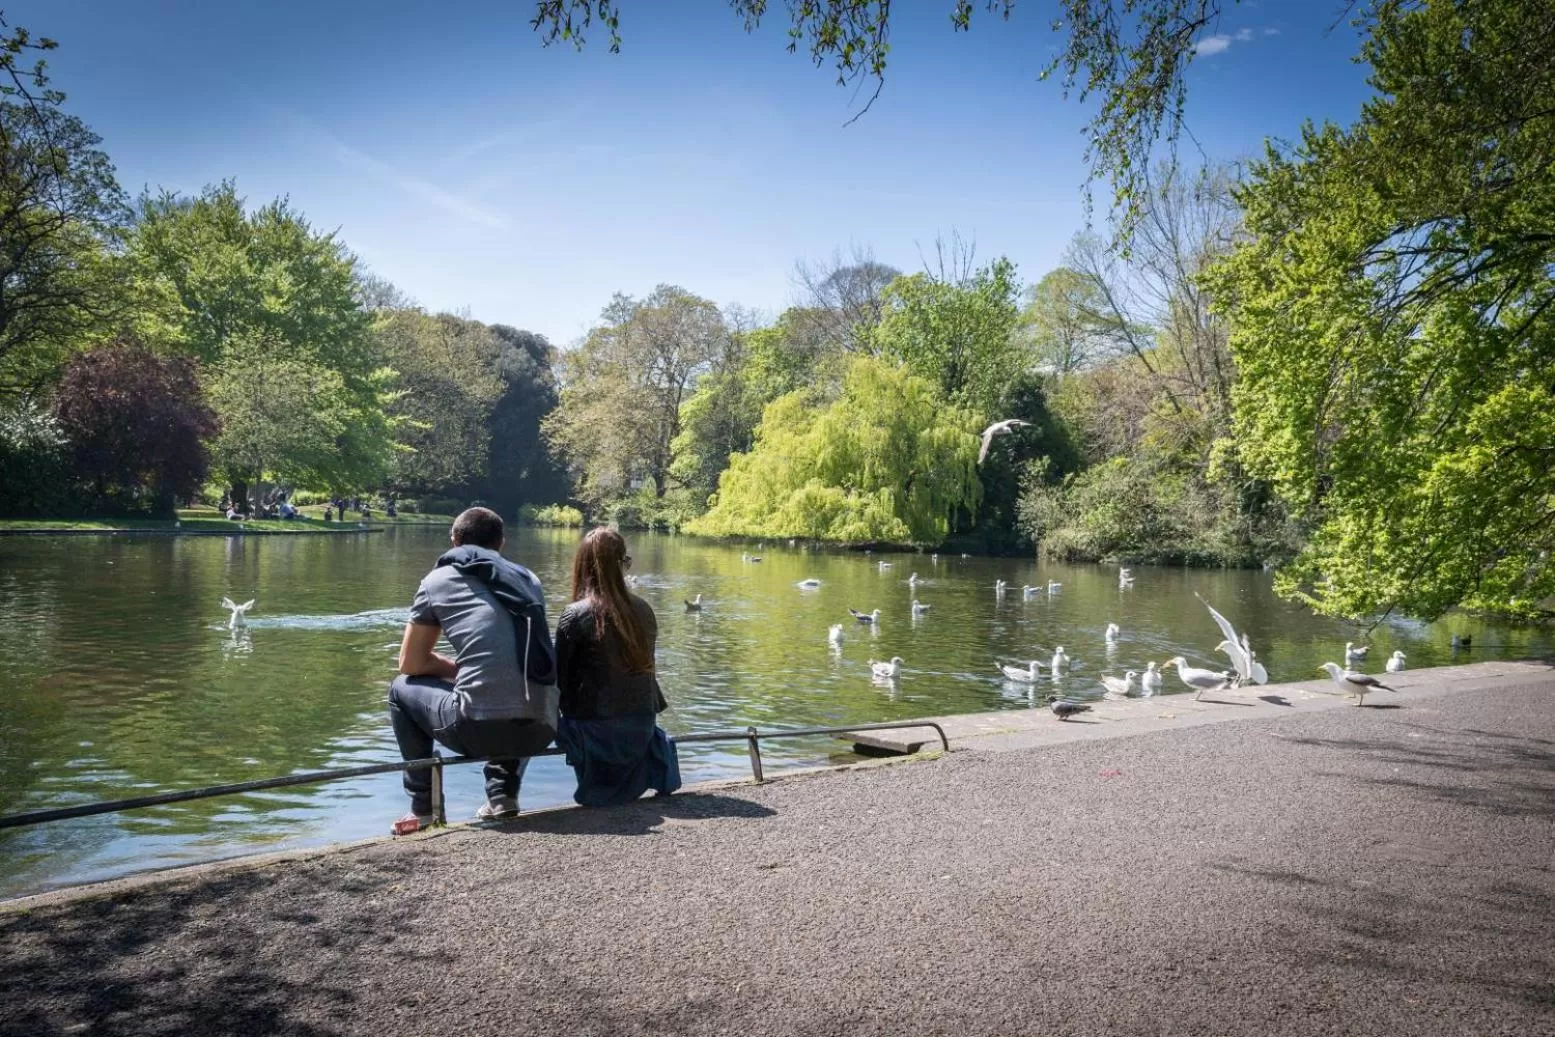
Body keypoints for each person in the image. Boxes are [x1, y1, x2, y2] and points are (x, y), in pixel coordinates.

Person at [389, 507, 558, 832]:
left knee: (400, 688)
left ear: (454, 540)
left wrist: (455, 670)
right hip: (542, 728)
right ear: (501, 544)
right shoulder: (527, 579)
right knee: (511, 684)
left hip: (477, 731)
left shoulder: (437, 580)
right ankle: (502, 797)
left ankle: (422, 809)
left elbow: (410, 663)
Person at [554, 528, 681, 807]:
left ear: (582, 565)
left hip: (595, 730)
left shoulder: (574, 615)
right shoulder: (645, 610)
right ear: (624, 563)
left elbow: (558, 683)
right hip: (641, 726)